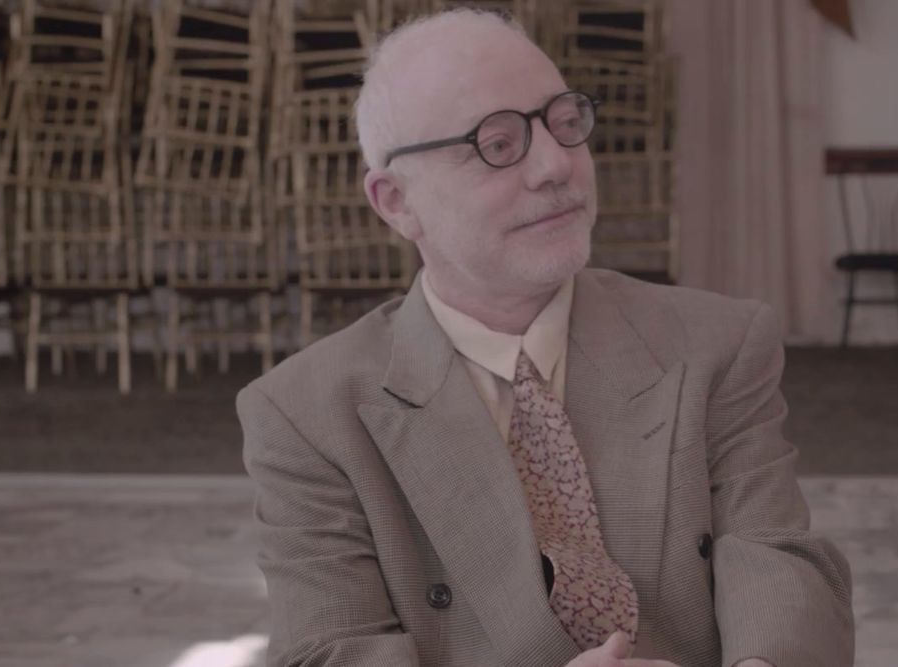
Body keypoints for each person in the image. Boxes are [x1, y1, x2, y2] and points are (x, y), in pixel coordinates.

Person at [236, 9, 854, 667]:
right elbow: (332, 650)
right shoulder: (306, 413)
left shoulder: (717, 343)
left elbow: (774, 551)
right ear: (395, 201)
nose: (556, 165)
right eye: (498, 144)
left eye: (564, 122)